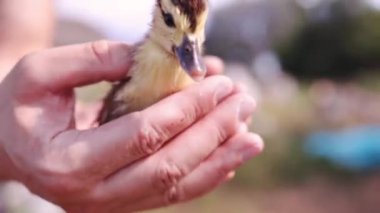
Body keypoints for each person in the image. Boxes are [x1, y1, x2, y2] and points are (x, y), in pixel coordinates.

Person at [0, 1, 264, 212]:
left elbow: (20, 42)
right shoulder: (145, 62)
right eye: (170, 22)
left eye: (197, 33)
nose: (190, 51)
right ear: (158, 16)